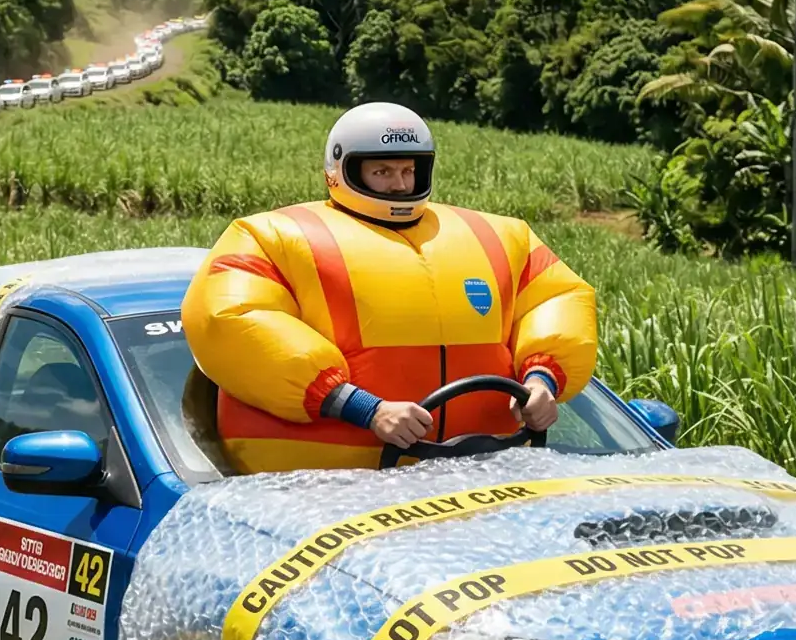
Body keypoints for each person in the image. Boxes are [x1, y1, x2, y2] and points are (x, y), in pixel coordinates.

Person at [182, 103, 596, 472]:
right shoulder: (271, 236)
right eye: (382, 171)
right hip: (323, 493)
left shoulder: (505, 237)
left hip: (486, 475)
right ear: (341, 169)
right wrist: (365, 409)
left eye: (408, 169)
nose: (399, 185)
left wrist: (542, 381)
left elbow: (557, 298)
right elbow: (230, 319)